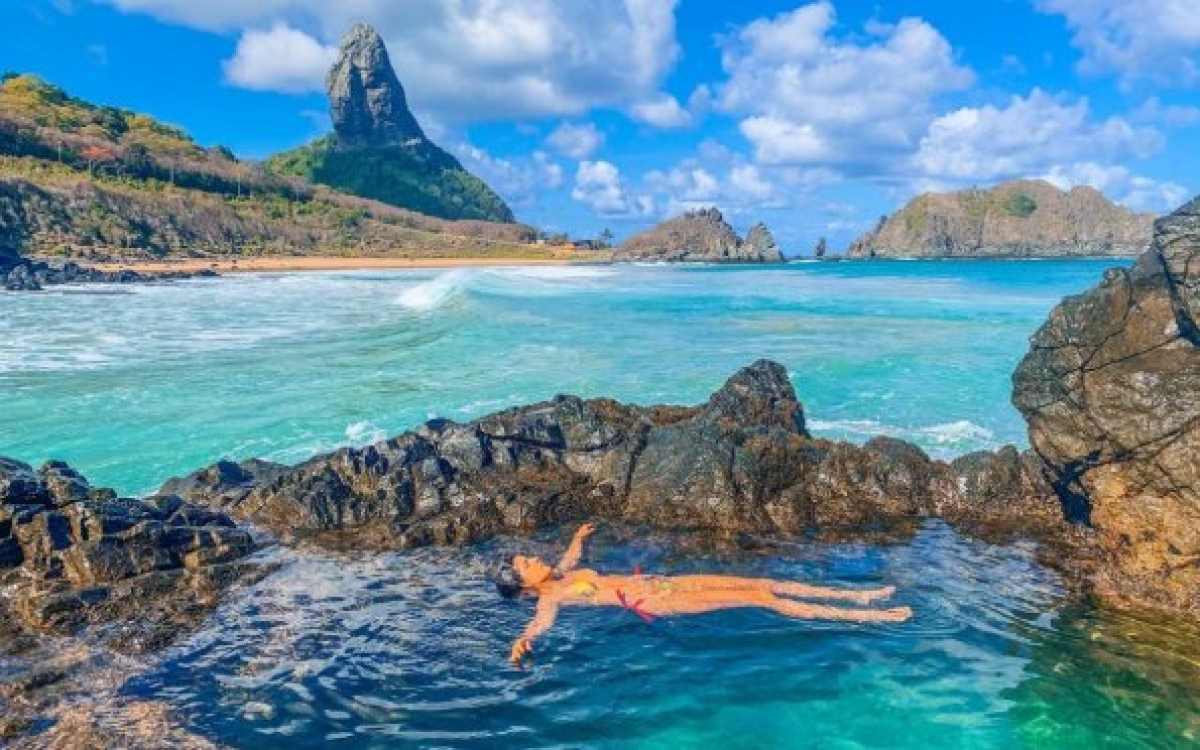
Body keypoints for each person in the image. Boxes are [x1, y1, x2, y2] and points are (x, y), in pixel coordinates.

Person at [495, 523, 912, 665]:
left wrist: (577, 537)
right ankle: (872, 618)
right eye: (525, 564)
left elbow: (570, 556)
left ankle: (861, 597)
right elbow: (539, 624)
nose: (533, 557)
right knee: (761, 600)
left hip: (661, 582)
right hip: (658, 602)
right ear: (526, 585)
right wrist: (524, 641)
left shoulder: (565, 572)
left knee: (761, 584)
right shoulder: (551, 599)